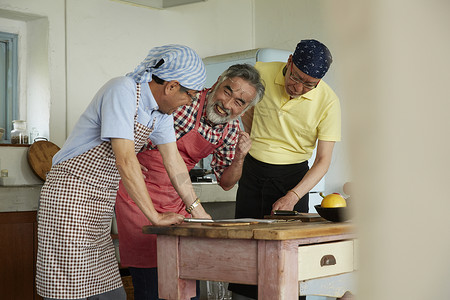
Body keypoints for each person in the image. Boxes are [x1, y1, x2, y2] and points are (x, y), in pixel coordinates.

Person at [36, 44, 208, 300]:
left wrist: (198, 211)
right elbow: (125, 160)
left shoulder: (160, 114)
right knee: (70, 292)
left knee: (111, 294)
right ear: (171, 86)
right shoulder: (123, 90)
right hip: (69, 200)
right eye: (190, 95)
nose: (189, 103)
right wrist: (155, 216)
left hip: (99, 207)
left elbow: (174, 162)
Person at [114, 63, 265, 300]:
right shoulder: (185, 99)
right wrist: (128, 155)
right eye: (227, 91)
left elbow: (226, 182)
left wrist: (239, 158)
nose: (227, 104)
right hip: (138, 194)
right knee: (151, 278)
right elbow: (126, 125)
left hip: (177, 197)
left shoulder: (231, 130)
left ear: (245, 110)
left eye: (239, 102)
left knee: (183, 272)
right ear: (216, 84)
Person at [230, 39, 341, 300]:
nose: (299, 88)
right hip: (253, 174)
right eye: (296, 78)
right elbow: (245, 110)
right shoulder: (260, 73)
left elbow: (323, 160)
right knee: (244, 254)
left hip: (294, 179)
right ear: (289, 61)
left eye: (309, 84)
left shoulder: (329, 102)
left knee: (288, 263)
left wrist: (293, 196)